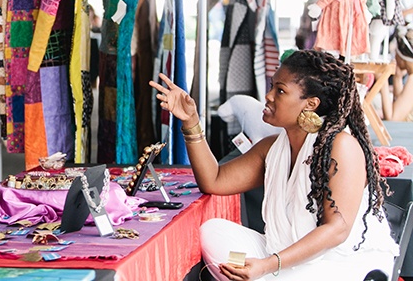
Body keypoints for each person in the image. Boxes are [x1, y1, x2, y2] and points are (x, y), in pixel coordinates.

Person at [150, 49, 398, 280]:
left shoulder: (342, 146)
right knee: (213, 232)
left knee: (263, 270)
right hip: (285, 255)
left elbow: (337, 231)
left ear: (310, 104)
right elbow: (214, 180)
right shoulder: (273, 147)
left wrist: (268, 264)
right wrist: (190, 121)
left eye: (280, 90)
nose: (267, 96)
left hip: (343, 261)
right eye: (272, 87)